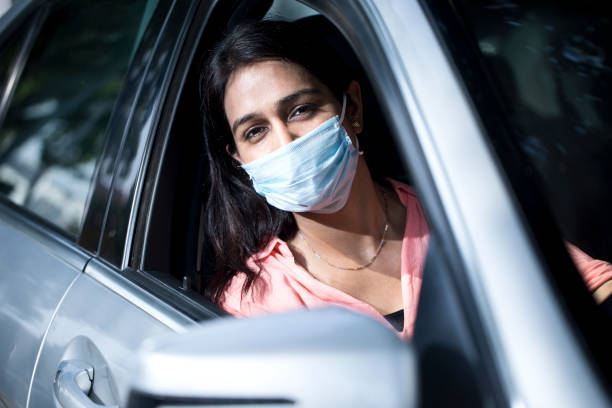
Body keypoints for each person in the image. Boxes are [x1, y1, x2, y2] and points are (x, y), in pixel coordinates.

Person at [199, 19, 612, 339]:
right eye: (255, 131)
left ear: (352, 108)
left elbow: (593, 287)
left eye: (300, 110)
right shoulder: (249, 303)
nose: (285, 142)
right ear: (239, 161)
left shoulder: (463, 214)